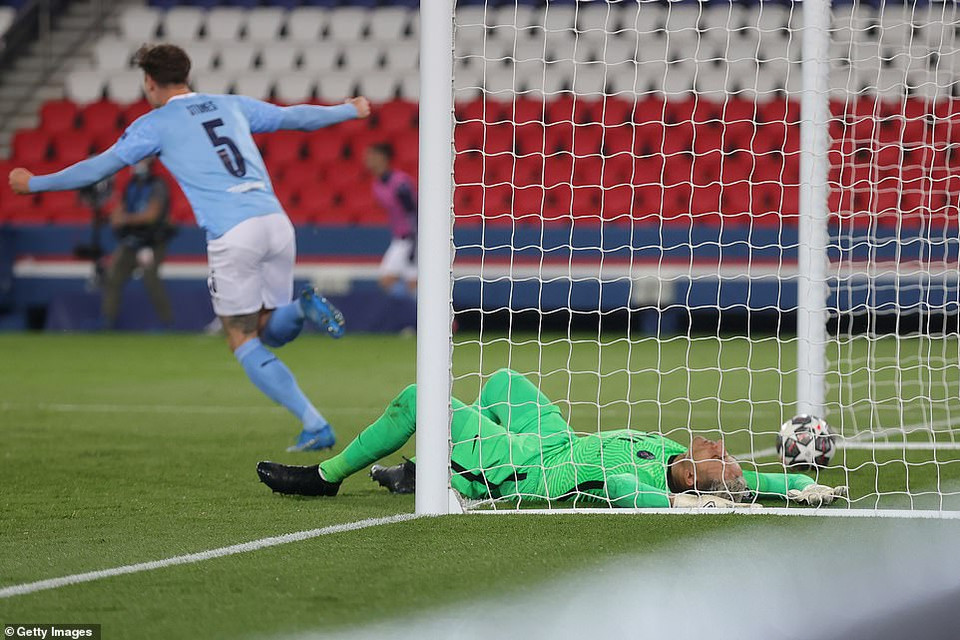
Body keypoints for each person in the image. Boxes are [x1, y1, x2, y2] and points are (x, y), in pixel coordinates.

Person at [8, 44, 372, 452]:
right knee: (270, 328)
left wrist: (34, 183)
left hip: (234, 233)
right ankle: (301, 314)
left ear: (149, 81)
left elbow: (98, 168)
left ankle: (315, 421)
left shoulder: (154, 124)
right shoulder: (230, 104)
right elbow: (294, 118)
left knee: (241, 336)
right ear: (186, 73)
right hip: (275, 221)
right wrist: (348, 110)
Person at [256, 368, 848, 508]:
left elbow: (619, 488)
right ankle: (428, 470)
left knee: (421, 399)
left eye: (721, 458)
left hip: (533, 467)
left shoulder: (648, 482)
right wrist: (796, 484)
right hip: (560, 437)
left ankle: (325, 478)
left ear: (695, 480)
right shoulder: (669, 452)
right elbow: (765, 480)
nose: (720, 444)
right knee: (502, 382)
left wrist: (679, 501)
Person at [101, 157, 175, 329]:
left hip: (151, 242)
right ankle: (107, 321)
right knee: (113, 278)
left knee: (151, 280)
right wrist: (117, 216)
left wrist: (125, 219)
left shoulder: (158, 185)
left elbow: (151, 216)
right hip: (131, 241)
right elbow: (119, 209)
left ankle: (167, 323)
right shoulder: (131, 184)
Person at [363, 143, 417, 296]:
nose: (367, 160)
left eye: (371, 156)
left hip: (411, 238)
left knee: (396, 280)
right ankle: (411, 315)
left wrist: (415, 242)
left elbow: (413, 211)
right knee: (403, 283)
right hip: (400, 238)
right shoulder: (377, 184)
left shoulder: (400, 184)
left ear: (383, 158)